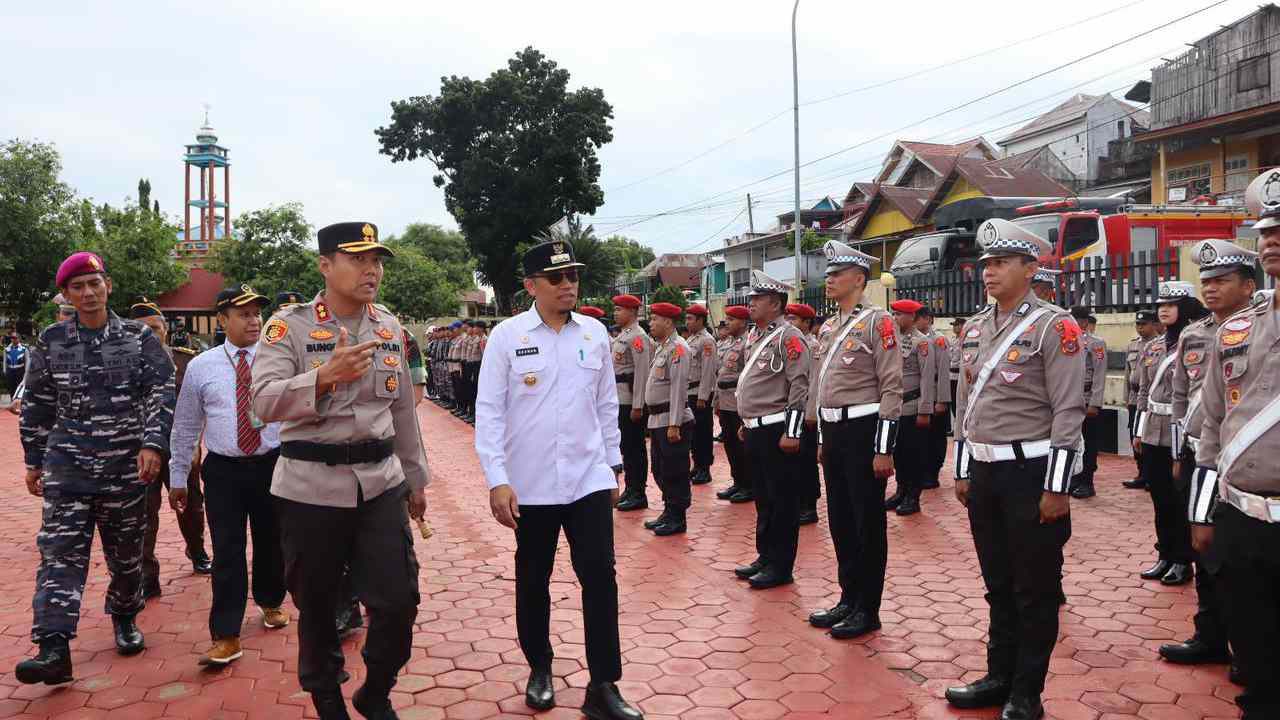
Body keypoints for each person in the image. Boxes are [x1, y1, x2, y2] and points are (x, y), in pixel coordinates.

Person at [251, 221, 429, 720]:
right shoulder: (289, 326)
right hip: (311, 489)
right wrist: (323, 377)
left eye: (377, 260)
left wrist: (416, 479)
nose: (372, 270)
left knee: (398, 601)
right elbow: (262, 402)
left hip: (380, 485)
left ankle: (376, 690)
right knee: (318, 605)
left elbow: (402, 413)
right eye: (358, 259)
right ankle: (327, 696)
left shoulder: (388, 327)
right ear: (326, 265)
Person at [475, 239, 643, 720]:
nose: (568, 285)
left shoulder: (593, 333)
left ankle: (604, 684)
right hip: (529, 483)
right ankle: (540, 668)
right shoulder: (507, 336)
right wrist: (497, 479)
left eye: (573, 276)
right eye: (557, 278)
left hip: (587, 477)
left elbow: (607, 405)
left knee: (600, 577)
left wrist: (613, 465)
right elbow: (488, 412)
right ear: (531, 286)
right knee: (533, 577)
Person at [15, 251, 176, 684]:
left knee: (125, 559)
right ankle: (52, 647)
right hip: (67, 470)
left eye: (94, 283)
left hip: (126, 469)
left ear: (107, 285)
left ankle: (125, 617)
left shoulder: (139, 340)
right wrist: (33, 459)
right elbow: (37, 404)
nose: (88, 292)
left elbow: (161, 391)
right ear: (66, 293)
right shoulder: (51, 340)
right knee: (58, 556)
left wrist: (153, 444)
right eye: (78, 286)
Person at [945, 219, 1082, 720]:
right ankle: (997, 675)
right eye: (986, 264)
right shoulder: (977, 326)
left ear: (1030, 267)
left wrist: (1058, 485)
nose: (989, 272)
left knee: (1034, 588)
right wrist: (962, 468)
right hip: (985, 474)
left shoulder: (1055, 325)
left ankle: (1028, 691)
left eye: (1001, 263)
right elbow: (966, 404)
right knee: (997, 583)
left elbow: (1068, 410)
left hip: (1033, 474)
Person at [1190, 171, 1280, 719]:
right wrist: (1204, 514)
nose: (1271, 238)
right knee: (1254, 643)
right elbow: (1211, 432)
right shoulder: (1236, 331)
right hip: (1243, 515)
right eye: (1267, 228)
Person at [168, 286, 289, 666]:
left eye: (257, 313)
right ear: (222, 320)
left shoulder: (278, 362)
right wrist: (176, 475)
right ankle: (226, 634)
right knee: (227, 552)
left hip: (272, 464)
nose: (254, 320)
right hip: (223, 471)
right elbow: (186, 424)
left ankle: (270, 601)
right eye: (244, 314)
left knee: (272, 543)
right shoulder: (201, 367)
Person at [1157, 239, 1256, 677]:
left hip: (1245, 461)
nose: (1212, 289)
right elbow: (1181, 397)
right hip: (1200, 456)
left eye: (1222, 280)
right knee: (1204, 548)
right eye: (1207, 281)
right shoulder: (1193, 335)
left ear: (1248, 286)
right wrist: (1181, 450)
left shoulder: (1260, 330)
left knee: (1243, 557)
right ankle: (1210, 635)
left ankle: (1248, 648)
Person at [805, 241, 902, 640]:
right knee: (841, 519)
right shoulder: (828, 327)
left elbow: (892, 386)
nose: (828, 279)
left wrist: (884, 448)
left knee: (867, 520)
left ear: (859, 280)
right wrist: (824, 437)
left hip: (865, 431)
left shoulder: (879, 322)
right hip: (836, 432)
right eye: (827, 274)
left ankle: (868, 607)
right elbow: (825, 388)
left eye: (836, 274)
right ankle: (848, 596)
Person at [732, 270, 810, 591]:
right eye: (751, 298)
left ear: (776, 303)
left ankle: (781, 565)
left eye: (758, 299)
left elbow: (799, 384)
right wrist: (744, 422)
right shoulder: (755, 335)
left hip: (777, 429)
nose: (751, 303)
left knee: (781, 499)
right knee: (763, 497)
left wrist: (792, 432)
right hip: (754, 428)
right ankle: (765, 555)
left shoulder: (789, 337)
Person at [131, 298, 211, 600]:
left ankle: (198, 551)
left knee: (191, 506)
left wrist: (193, 446)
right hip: (141, 453)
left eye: (155, 328)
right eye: (142, 330)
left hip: (180, 448)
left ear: (165, 329)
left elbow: (198, 408)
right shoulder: (123, 365)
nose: (150, 334)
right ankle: (147, 577)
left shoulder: (183, 361)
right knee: (144, 516)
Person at [1134, 281, 1206, 587]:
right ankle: (1164, 553)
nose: (1163, 309)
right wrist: (1138, 431)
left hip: (1181, 433)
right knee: (1159, 498)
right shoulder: (1152, 347)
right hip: (1153, 431)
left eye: (1171, 305)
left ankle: (1182, 559)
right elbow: (1142, 392)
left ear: (1185, 308)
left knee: (1179, 500)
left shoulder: (1196, 343)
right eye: (1161, 304)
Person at [641, 302, 695, 536]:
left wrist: (674, 423)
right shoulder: (662, 347)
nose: (650, 323)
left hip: (673, 421)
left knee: (675, 471)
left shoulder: (678, 348)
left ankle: (677, 517)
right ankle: (668, 510)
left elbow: (678, 389)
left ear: (668, 322)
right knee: (660, 470)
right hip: (658, 420)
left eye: (655, 319)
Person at [884, 299, 938, 517]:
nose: (895, 319)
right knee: (898, 454)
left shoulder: (922, 342)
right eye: (893, 314)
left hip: (912, 406)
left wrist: (925, 410)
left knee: (912, 453)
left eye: (899, 315)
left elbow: (927, 378)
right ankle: (900, 490)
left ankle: (912, 497)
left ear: (912, 317)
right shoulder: (892, 339)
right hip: (895, 407)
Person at [612, 294, 652, 511]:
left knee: (634, 448)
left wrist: (638, 405)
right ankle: (630, 488)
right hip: (619, 398)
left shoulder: (638, 337)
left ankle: (638, 492)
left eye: (620, 309)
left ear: (632, 312)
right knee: (626, 447)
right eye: (616, 309)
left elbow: (642, 373)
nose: (616, 313)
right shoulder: (623, 336)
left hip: (630, 401)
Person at [785, 303, 822, 524]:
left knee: (806, 461)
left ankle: (809, 506)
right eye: (788, 319)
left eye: (794, 320)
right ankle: (797, 501)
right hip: (790, 410)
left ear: (806, 323)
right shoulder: (791, 343)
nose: (790, 323)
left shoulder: (813, 346)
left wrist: (810, 414)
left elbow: (815, 382)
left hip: (805, 412)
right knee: (792, 461)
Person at [1067, 307, 1107, 499]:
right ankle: (1073, 478)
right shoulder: (1065, 341)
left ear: (1083, 322)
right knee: (1071, 440)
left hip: (1086, 398)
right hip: (1067, 399)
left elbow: (1099, 374)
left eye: (1074, 319)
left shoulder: (1095, 343)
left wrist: (1095, 403)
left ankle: (1087, 481)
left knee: (1089, 443)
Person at [714, 306, 752, 503]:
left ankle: (748, 484)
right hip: (726, 402)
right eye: (726, 318)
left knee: (741, 446)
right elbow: (720, 373)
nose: (727, 322)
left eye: (731, 319)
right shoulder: (728, 343)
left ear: (744, 322)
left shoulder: (748, 343)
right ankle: (737, 481)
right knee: (730, 444)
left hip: (739, 403)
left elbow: (749, 375)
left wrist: (731, 382)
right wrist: (717, 401)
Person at [914, 306, 951, 489]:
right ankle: (920, 472)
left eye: (918, 318)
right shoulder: (912, 340)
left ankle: (932, 472)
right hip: (919, 396)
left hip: (936, 393)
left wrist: (942, 400)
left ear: (928, 319)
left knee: (935, 437)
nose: (915, 321)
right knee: (920, 438)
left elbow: (943, 372)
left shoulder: (939, 340)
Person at [1123, 310, 1160, 489]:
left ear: (1154, 324)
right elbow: (1127, 375)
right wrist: (1126, 398)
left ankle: (1151, 475)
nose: (1140, 328)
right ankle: (1141, 474)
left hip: (1151, 398)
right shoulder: (1132, 345)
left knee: (1148, 438)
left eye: (1143, 324)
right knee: (1134, 435)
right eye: (1137, 324)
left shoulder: (1160, 345)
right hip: (1134, 397)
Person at [683, 305, 718, 485]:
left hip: (699, 393)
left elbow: (708, 371)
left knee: (703, 433)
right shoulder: (691, 340)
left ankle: (704, 468)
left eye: (690, 318)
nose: (687, 322)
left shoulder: (706, 341)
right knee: (694, 433)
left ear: (700, 320)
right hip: (689, 392)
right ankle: (697, 465)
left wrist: (704, 396)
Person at [5, 333, 27, 400]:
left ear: (19, 339)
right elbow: (5, 360)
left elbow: (26, 361)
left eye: (15, 338)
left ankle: (20, 402)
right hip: (10, 370)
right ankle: (12, 401)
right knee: (12, 387)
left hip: (20, 370)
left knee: (20, 388)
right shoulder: (7, 349)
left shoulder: (23, 348)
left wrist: (26, 372)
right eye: (12, 338)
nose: (13, 340)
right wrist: (5, 370)